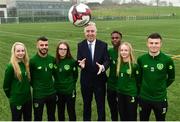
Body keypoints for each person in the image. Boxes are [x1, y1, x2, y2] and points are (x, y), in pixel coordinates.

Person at [137, 33, 175, 121]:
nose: (154, 45)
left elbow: (171, 78)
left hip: (160, 99)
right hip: (144, 98)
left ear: (161, 44)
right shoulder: (141, 59)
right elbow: (139, 78)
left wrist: (162, 87)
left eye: (156, 43)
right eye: (151, 43)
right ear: (147, 44)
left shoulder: (167, 60)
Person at [77, 22, 110, 121]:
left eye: (92, 31)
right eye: (87, 31)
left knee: (101, 105)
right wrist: (80, 65)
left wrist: (103, 67)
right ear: (84, 33)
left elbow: (107, 60)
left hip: (99, 81)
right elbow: (79, 60)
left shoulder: (103, 45)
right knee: (86, 105)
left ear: (96, 32)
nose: (90, 33)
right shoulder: (81, 45)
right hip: (86, 81)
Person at [3, 42, 32, 121]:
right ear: (14, 52)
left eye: (23, 51)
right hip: (17, 100)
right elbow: (6, 86)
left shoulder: (25, 64)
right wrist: (13, 96)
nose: (21, 53)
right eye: (18, 51)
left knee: (28, 119)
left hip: (28, 99)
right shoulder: (11, 67)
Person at [30, 36, 56, 121]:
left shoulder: (52, 59)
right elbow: (29, 78)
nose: (44, 47)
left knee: (51, 116)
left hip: (51, 93)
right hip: (38, 95)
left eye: (46, 45)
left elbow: (56, 74)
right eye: (41, 45)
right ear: (37, 46)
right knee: (38, 117)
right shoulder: (32, 61)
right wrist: (37, 86)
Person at [54, 41, 78, 121]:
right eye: (60, 49)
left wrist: (70, 86)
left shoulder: (72, 62)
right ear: (57, 50)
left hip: (69, 92)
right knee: (60, 112)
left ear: (67, 50)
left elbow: (75, 76)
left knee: (71, 112)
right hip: (58, 91)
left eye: (65, 49)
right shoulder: (54, 61)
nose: (62, 51)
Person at [116, 42, 140, 121]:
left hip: (131, 94)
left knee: (131, 116)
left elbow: (139, 81)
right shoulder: (118, 63)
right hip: (120, 94)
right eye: (121, 50)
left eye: (126, 50)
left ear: (130, 51)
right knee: (122, 116)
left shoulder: (135, 66)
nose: (123, 52)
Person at [107, 31, 122, 121]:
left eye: (117, 37)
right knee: (113, 110)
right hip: (111, 86)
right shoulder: (110, 51)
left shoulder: (125, 50)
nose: (114, 39)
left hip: (122, 86)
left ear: (121, 39)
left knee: (123, 110)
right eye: (112, 38)